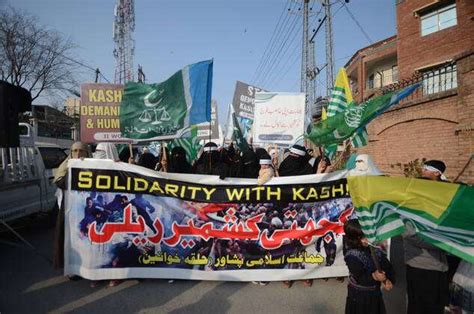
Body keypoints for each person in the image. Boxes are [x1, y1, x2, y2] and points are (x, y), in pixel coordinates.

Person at [403, 159, 449, 314]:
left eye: (426, 169)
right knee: (419, 306)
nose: (423, 171)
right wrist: (444, 243)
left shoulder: (445, 196)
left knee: (436, 306)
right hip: (421, 266)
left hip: (440, 266)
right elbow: (411, 234)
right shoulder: (412, 204)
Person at [52, 142, 91, 274]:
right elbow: (61, 183)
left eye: (81, 151)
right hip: (69, 211)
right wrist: (73, 170)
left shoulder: (94, 166)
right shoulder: (66, 167)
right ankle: (72, 268)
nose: (78, 154)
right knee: (69, 239)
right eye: (74, 151)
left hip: (87, 210)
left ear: (87, 153)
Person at [344, 219, 395, 314]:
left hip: (375, 293)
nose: (367, 239)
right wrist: (374, 276)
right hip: (359, 296)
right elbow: (359, 277)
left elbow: (386, 264)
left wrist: (388, 279)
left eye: (368, 235)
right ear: (354, 239)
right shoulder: (352, 256)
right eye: (363, 237)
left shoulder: (374, 248)